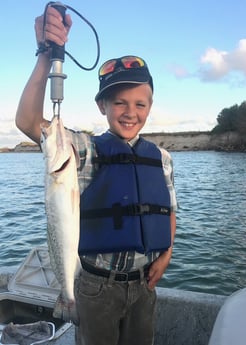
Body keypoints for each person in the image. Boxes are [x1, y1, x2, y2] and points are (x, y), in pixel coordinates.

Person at [15, 6, 177, 345]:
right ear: (102, 105)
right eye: (119, 103)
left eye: (140, 104)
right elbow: (29, 121)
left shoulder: (161, 158)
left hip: (145, 283)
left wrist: (167, 253)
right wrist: (46, 56)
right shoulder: (83, 151)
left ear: (150, 106)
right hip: (94, 285)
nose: (130, 112)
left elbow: (168, 211)